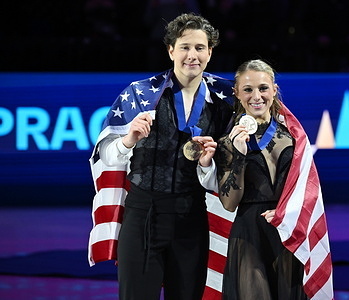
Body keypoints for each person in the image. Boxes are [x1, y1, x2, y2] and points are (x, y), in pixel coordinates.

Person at [87, 13, 235, 300]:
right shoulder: (140, 93)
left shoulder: (224, 100)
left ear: (210, 52)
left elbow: (229, 169)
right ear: (170, 50)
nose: (192, 55)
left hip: (191, 217)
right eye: (184, 47)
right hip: (143, 215)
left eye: (199, 48)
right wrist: (129, 139)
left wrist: (207, 164)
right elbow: (105, 156)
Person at [212, 60, 333, 299]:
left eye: (263, 88)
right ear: (236, 93)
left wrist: (285, 212)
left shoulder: (294, 136)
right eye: (248, 89)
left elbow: (308, 191)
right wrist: (238, 155)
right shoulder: (228, 141)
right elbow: (229, 203)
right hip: (250, 235)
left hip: (288, 231)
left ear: (274, 90)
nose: (256, 96)